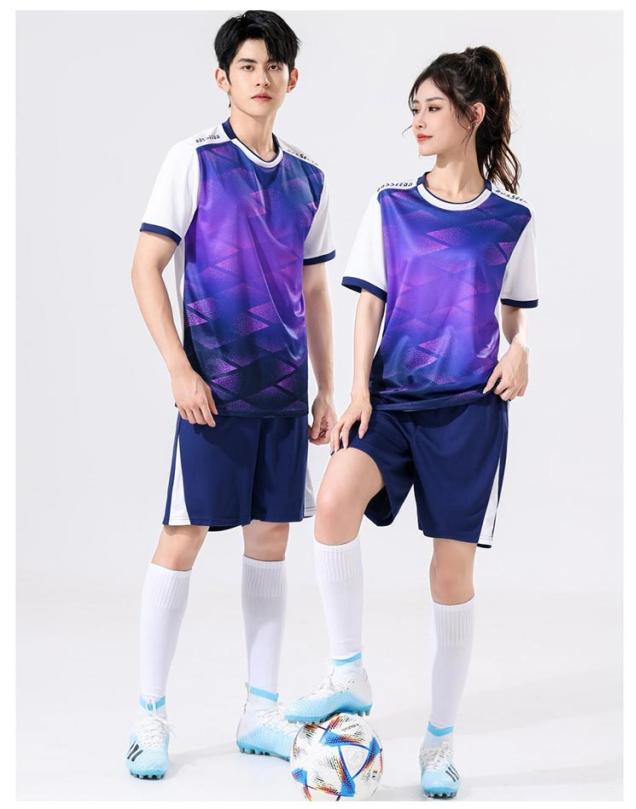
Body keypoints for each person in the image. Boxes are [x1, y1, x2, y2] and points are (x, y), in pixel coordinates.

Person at [285, 46, 539, 799]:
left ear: (473, 115)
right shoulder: (392, 204)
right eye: (415, 110)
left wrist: (523, 350)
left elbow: (516, 317)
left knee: (450, 574)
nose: (419, 123)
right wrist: (356, 390)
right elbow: (368, 302)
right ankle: (348, 671)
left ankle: (439, 741)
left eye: (433, 108)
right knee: (334, 501)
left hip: (470, 415)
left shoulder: (512, 219)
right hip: (391, 402)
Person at [126, 10, 336, 779]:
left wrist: (328, 387)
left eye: (274, 65)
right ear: (223, 78)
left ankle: (259, 710)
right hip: (211, 393)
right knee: (182, 537)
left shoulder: (309, 176)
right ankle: (150, 716)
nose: (261, 77)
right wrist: (178, 369)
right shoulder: (194, 159)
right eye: (247, 65)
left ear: (292, 78)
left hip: (283, 395)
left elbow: (315, 289)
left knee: (271, 539)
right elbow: (145, 266)